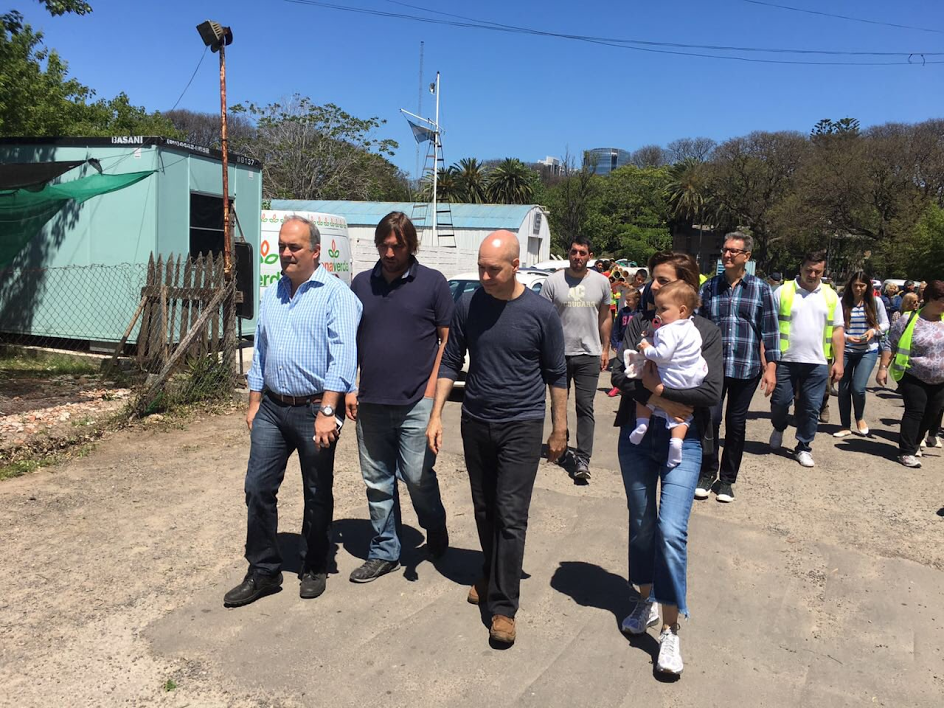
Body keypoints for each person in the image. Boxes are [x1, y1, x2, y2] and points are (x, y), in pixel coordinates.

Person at [427, 230, 567, 647]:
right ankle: (490, 574)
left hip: (521, 425)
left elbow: (556, 374)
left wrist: (559, 428)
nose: (485, 276)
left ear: (515, 265)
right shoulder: (469, 304)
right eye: (482, 267)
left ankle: (504, 607)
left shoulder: (541, 313)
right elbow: (452, 359)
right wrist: (436, 415)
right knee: (485, 508)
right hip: (476, 421)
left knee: (510, 514)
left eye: (494, 269)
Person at [224, 215, 362, 607]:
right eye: (283, 246)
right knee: (257, 488)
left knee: (317, 491)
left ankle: (315, 563)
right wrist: (253, 402)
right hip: (272, 407)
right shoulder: (274, 293)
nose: (285, 253)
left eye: (294, 247)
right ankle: (264, 571)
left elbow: (344, 357)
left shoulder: (337, 295)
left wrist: (328, 410)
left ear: (315, 251)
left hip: (315, 408)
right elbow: (262, 351)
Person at [611, 251, 722, 676]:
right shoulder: (640, 324)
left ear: (684, 289)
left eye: (661, 282)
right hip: (637, 439)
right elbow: (622, 378)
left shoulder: (706, 332)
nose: (651, 288)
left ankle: (672, 630)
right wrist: (659, 396)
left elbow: (711, 390)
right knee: (641, 524)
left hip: (685, 441)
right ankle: (646, 598)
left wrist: (654, 388)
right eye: (653, 282)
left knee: (671, 531)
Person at [346, 212, 453, 583]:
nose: (390, 252)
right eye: (384, 245)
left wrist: (431, 390)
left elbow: (446, 338)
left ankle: (434, 525)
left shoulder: (433, 283)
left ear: (411, 246)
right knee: (377, 480)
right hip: (372, 402)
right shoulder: (361, 284)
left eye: (398, 246)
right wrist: (350, 386)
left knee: (416, 475)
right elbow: (349, 340)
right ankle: (385, 550)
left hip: (417, 402)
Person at [696, 232, 780, 503]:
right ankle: (707, 472)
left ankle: (728, 479)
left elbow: (771, 330)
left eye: (733, 251)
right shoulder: (709, 288)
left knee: (736, 423)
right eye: (724, 250)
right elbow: (696, 326)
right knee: (710, 419)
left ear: (747, 256)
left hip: (747, 368)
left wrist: (771, 368)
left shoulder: (761, 289)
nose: (727, 255)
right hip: (713, 367)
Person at [541, 236, 612, 481]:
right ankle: (560, 445)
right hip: (558, 354)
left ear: (590, 256)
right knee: (558, 404)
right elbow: (543, 319)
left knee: (585, 407)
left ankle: (583, 458)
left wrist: (605, 349)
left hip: (588, 355)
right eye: (574, 252)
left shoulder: (602, 283)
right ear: (568, 253)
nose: (577, 257)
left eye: (583, 253)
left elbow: (605, 317)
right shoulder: (553, 282)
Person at [769, 251, 844, 468]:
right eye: (808, 270)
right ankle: (779, 427)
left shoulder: (830, 296)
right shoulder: (783, 292)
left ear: (823, 271)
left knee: (811, 407)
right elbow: (770, 327)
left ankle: (803, 446)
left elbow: (838, 330)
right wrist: (767, 360)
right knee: (780, 403)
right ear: (800, 268)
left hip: (818, 361)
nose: (812, 275)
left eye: (817, 271)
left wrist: (839, 361)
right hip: (785, 359)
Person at [628, 281, 708, 467]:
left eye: (663, 309)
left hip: (668, 378)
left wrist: (647, 349)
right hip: (690, 380)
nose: (658, 313)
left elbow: (663, 355)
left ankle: (642, 424)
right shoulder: (692, 328)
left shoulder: (667, 330)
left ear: (681, 310)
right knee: (683, 416)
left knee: (643, 399)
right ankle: (677, 441)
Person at [878, 280, 944, 468]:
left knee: (932, 414)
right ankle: (906, 451)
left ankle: (915, 443)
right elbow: (891, 343)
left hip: (940, 378)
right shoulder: (909, 320)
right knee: (916, 411)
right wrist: (883, 367)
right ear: (931, 299)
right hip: (914, 375)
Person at [832, 271, 889, 439]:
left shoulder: (876, 302)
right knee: (843, 389)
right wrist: (847, 337)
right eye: (855, 285)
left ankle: (860, 418)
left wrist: (873, 331)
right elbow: (836, 327)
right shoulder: (842, 302)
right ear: (850, 286)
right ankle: (844, 425)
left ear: (867, 286)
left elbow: (885, 323)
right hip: (846, 350)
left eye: (862, 285)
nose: (858, 288)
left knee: (858, 388)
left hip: (867, 350)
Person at [608, 285, 640, 397]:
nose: (627, 302)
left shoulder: (640, 313)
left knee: (632, 366)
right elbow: (616, 327)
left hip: (635, 343)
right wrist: (614, 342)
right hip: (622, 341)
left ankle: (628, 387)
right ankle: (617, 386)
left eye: (629, 300)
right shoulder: (623, 312)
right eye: (626, 300)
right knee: (620, 364)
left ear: (637, 300)